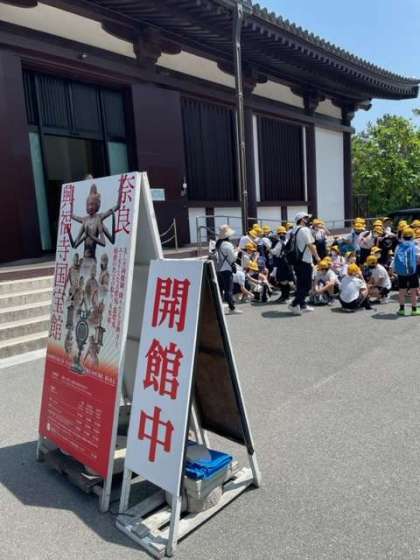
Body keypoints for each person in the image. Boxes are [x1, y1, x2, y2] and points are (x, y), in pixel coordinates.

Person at [288, 212, 321, 315]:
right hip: (305, 260)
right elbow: (311, 245)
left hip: (296, 260)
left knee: (300, 284)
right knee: (306, 286)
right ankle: (294, 304)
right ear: (302, 219)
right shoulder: (304, 230)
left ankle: (302, 304)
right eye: (306, 218)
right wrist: (317, 257)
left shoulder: (293, 230)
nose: (308, 220)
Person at [215, 224, 242, 315]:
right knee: (228, 290)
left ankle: (219, 307)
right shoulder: (227, 244)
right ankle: (232, 308)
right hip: (226, 269)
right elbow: (233, 258)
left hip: (219, 269)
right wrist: (237, 251)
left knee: (220, 289)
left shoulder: (218, 244)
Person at [392, 227, 420, 316]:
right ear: (412, 236)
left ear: (403, 236)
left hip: (401, 272)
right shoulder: (415, 245)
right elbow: (418, 258)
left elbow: (395, 259)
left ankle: (401, 310)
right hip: (413, 271)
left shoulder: (398, 246)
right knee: (413, 291)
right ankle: (414, 310)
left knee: (402, 291)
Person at [271, 226, 294, 303]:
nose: (281, 234)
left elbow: (274, 252)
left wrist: (269, 248)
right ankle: (284, 296)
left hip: (282, 263)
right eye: (280, 233)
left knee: (283, 280)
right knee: (284, 280)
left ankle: (285, 297)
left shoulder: (280, 242)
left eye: (281, 233)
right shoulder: (288, 240)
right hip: (287, 263)